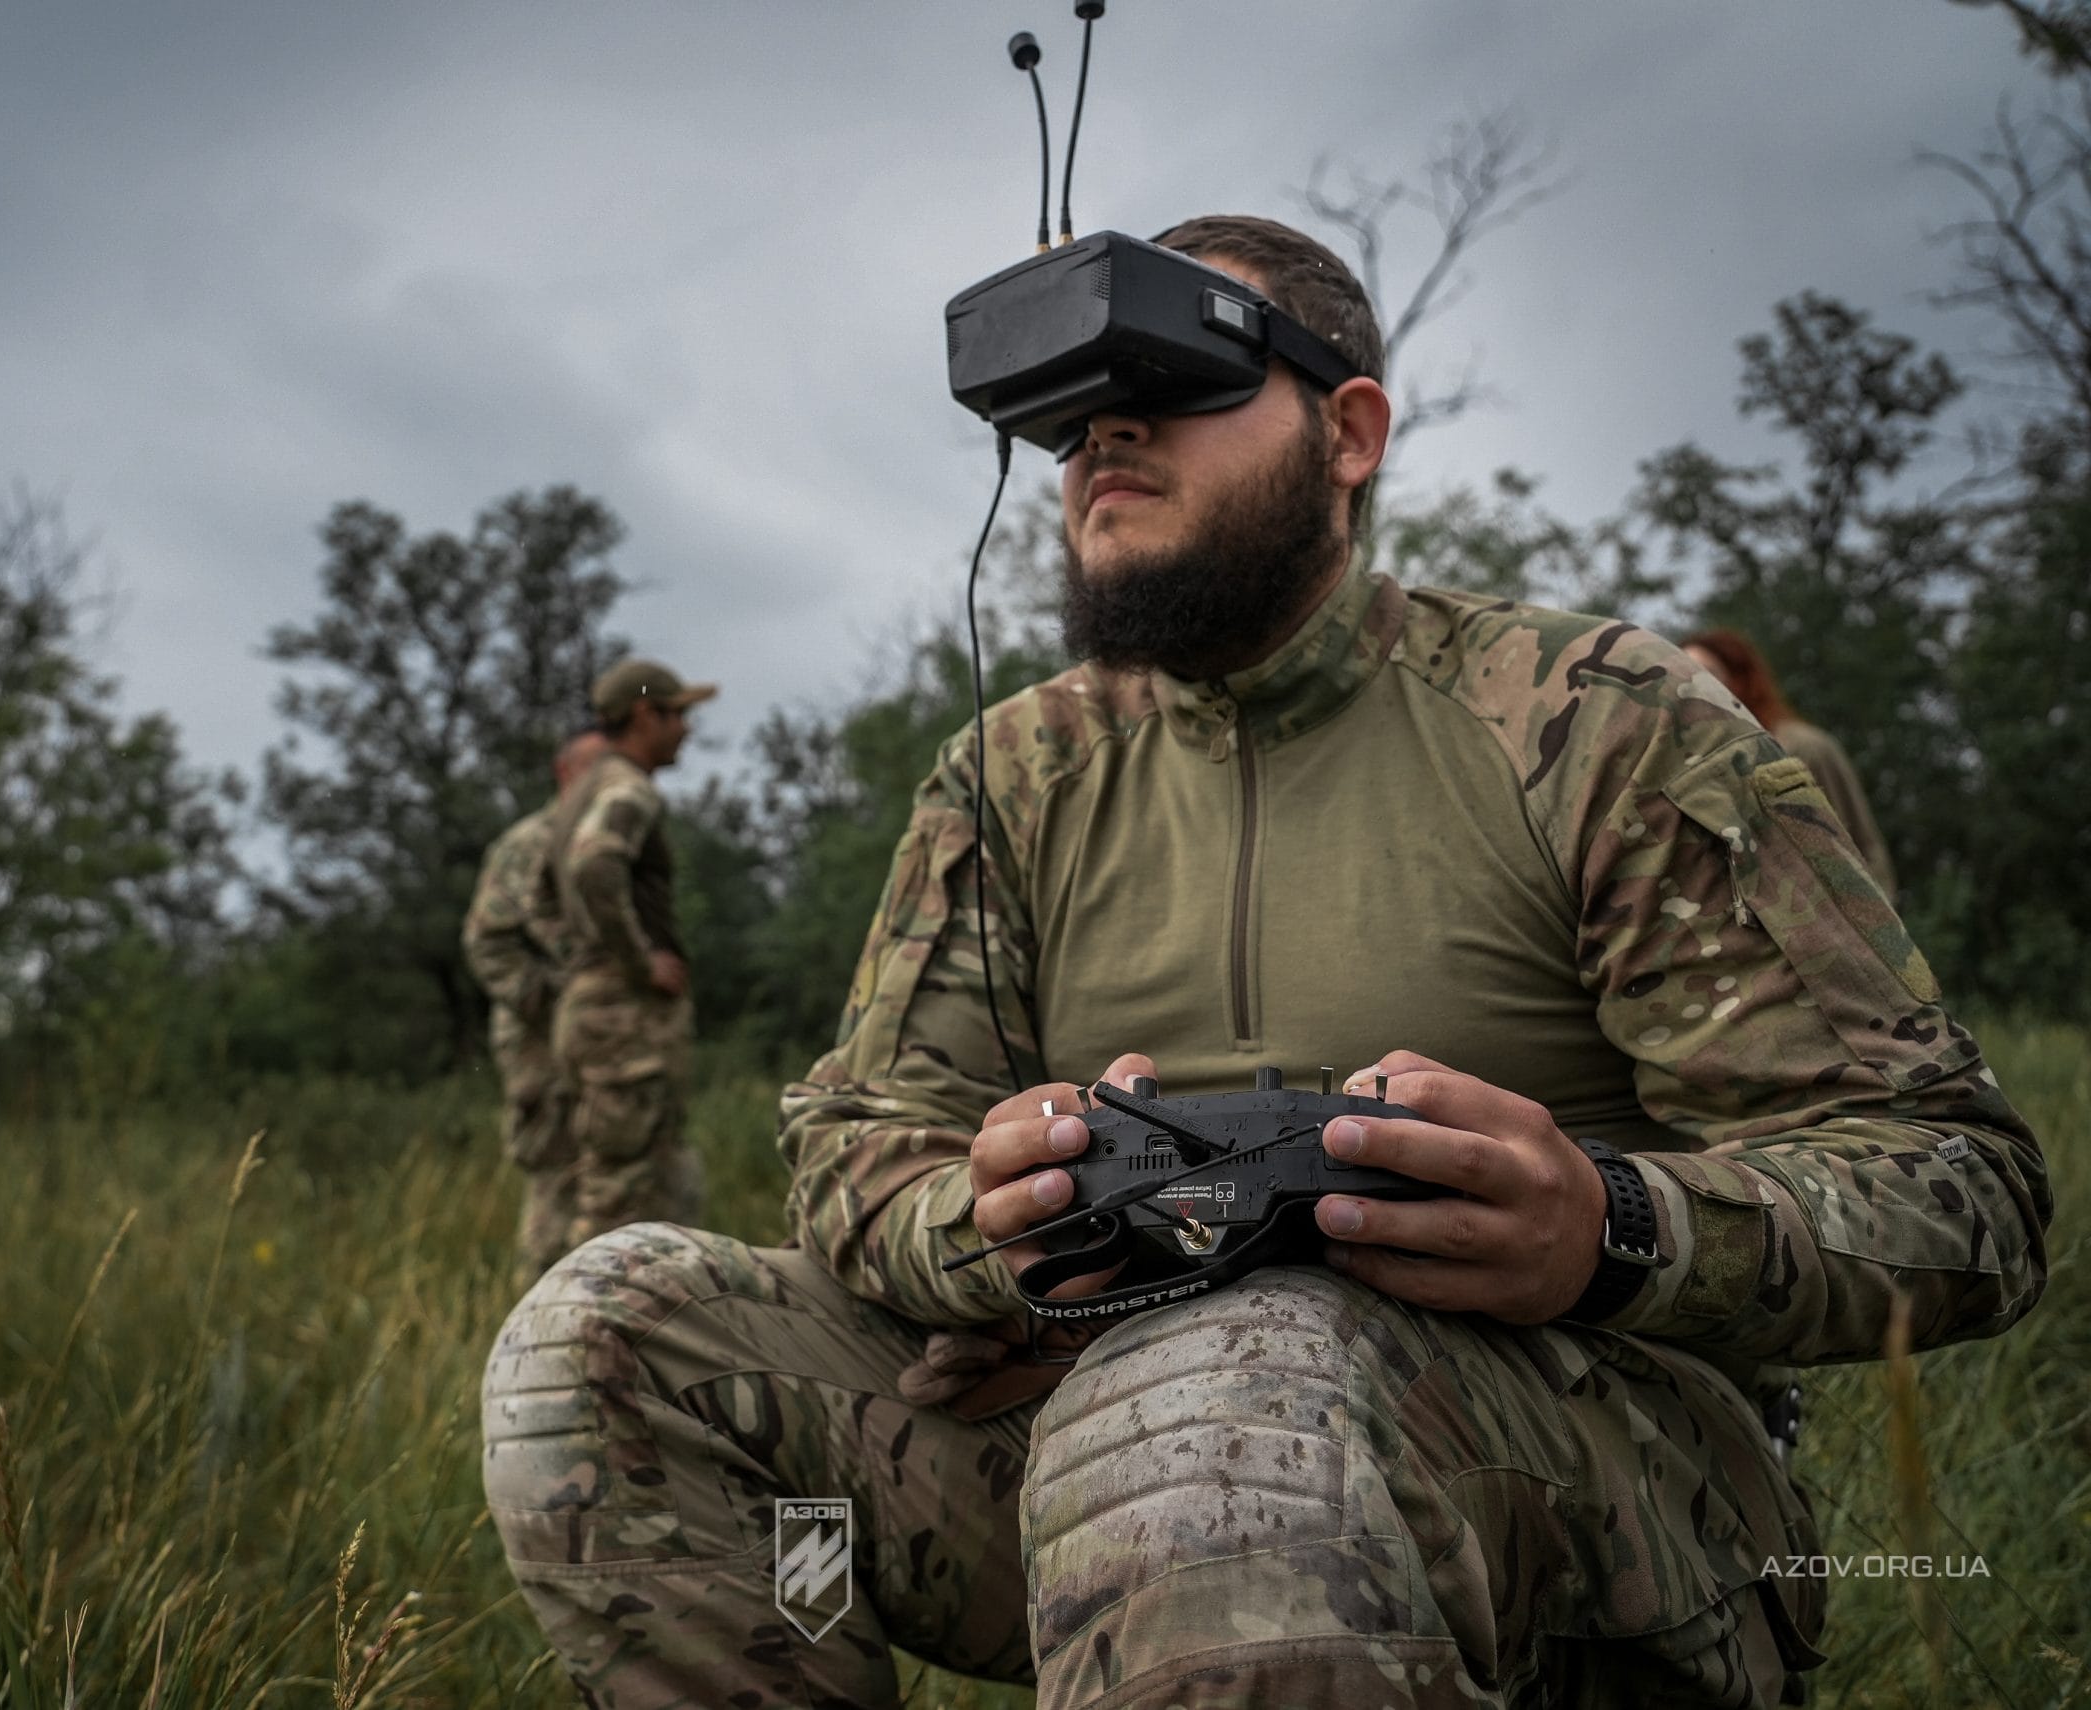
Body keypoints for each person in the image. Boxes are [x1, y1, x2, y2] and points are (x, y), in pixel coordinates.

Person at [480, 217, 2050, 1708]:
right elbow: (851, 1140)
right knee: (606, 1338)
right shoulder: (1013, 774)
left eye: (1175, 383)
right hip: (1081, 1433)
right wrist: (999, 1227)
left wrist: (1613, 1224)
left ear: (1348, 433)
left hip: (1600, 1497)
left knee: (1224, 1404)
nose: (1107, 437)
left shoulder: (1594, 718)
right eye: (1079, 413)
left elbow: (1960, 1187)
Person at [543, 657, 716, 1256]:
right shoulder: (626, 788)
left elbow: (552, 893)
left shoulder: (579, 792)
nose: (687, 730)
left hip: (594, 1010)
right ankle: (581, 1335)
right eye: (679, 714)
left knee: (629, 1185)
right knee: (618, 1198)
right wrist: (641, 961)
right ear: (646, 715)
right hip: (624, 1016)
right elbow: (595, 863)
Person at [463, 727, 611, 1293]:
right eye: (595, 770)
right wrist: (559, 1006)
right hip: (542, 1045)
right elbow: (489, 943)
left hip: (602, 1043)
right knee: (557, 1178)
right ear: (566, 772)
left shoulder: (605, 841)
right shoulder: (530, 843)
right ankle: (538, 1319)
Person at [1681, 628, 1899, 897]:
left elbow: (1862, 845)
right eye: (1683, 674)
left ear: (1738, 680)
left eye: (1706, 672)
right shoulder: (1684, 770)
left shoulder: (1803, 747)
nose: (1693, 684)